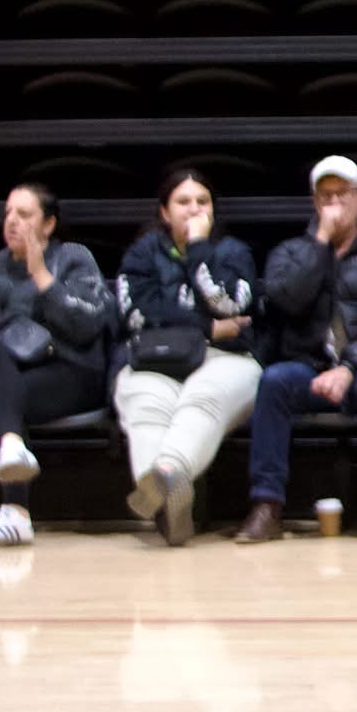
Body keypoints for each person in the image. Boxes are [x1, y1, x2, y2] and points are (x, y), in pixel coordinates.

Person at [236, 156, 357, 545]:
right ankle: (266, 505)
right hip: (307, 367)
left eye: (342, 194)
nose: (334, 204)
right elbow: (285, 302)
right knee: (274, 381)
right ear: (315, 204)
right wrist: (319, 246)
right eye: (325, 196)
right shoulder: (290, 252)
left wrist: (349, 366)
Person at [113, 168, 261, 545]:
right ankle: (168, 500)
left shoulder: (233, 251)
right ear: (164, 212)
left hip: (226, 357)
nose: (194, 209)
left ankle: (167, 474)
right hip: (157, 359)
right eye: (183, 202)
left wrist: (198, 250)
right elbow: (137, 315)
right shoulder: (142, 253)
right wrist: (207, 327)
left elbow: (231, 304)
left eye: (202, 202)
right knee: (145, 403)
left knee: (202, 397)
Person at [0, 184, 112, 546]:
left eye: (24, 214)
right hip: (13, 377)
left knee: (0, 400)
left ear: (48, 224)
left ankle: (16, 508)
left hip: (72, 372)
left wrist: (42, 277)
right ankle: (12, 452)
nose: (12, 222)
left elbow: (87, 327)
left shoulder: (73, 258)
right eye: (7, 214)